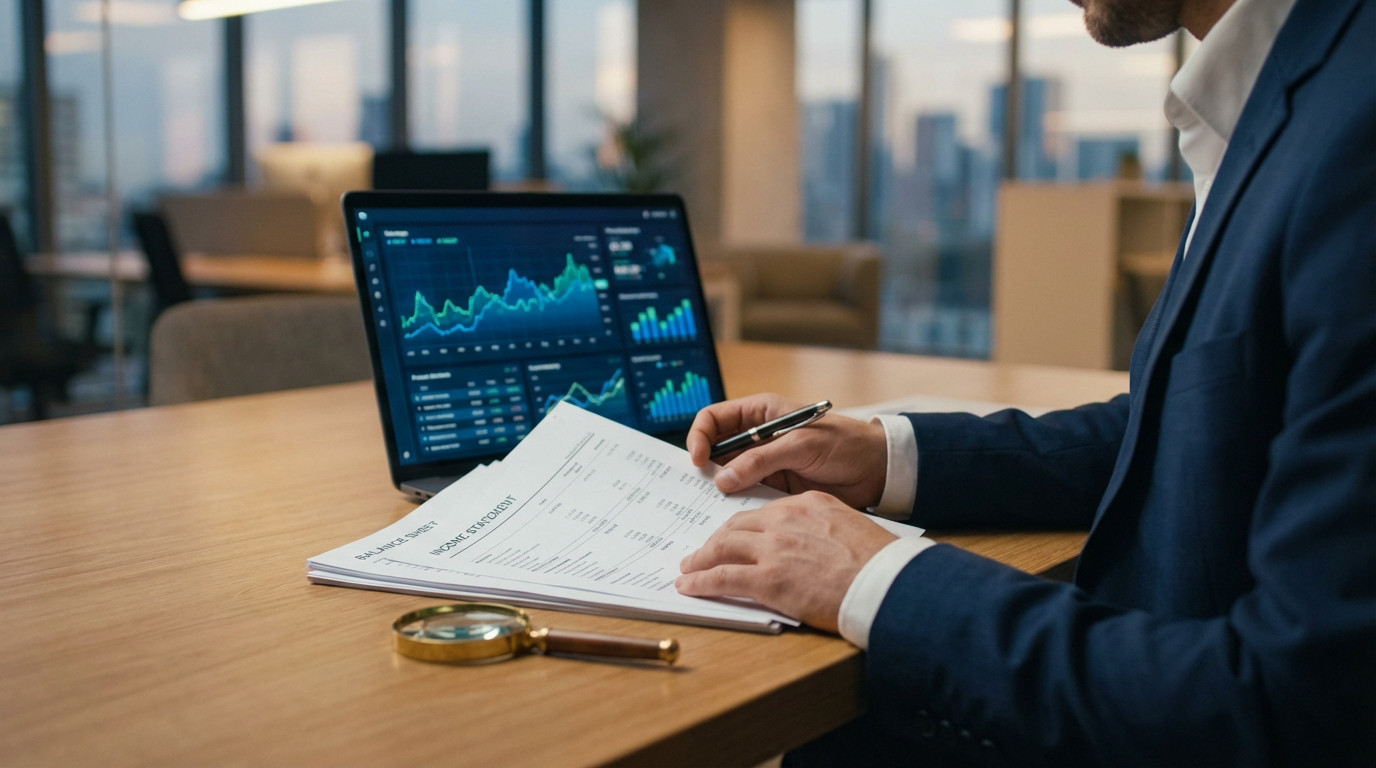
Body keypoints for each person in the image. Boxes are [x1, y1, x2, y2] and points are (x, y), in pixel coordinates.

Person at [675, 0, 1375, 764]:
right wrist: (883, 455)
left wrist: (879, 578)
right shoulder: (1281, 94)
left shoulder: (1354, 128)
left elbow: (1296, 708)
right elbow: (1186, 419)